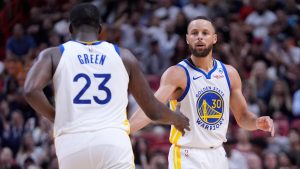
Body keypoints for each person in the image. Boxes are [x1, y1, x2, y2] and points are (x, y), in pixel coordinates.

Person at [23, 3, 189, 169]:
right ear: (100, 29)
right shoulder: (124, 57)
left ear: (71, 29)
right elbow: (153, 110)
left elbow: (30, 90)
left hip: (72, 143)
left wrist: (56, 116)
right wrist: (177, 119)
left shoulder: (54, 54)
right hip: (113, 142)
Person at [129, 16, 275, 169]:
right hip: (187, 155)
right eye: (194, 33)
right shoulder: (177, 73)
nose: (199, 36)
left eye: (205, 33)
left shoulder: (229, 74)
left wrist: (256, 122)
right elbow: (151, 108)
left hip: (218, 154)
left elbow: (243, 117)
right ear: (187, 39)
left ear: (214, 39)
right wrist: (125, 129)